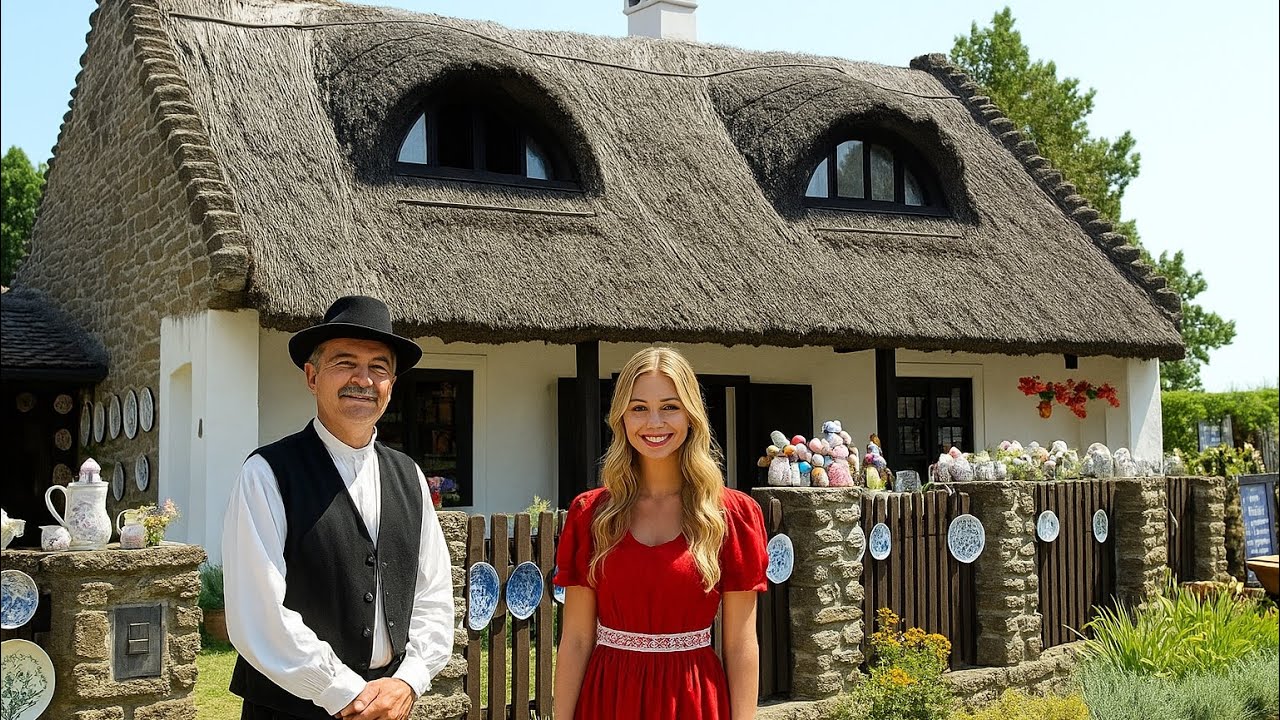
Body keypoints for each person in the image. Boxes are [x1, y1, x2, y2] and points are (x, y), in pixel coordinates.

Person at [222, 295, 454, 720]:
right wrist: (343, 691)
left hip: (389, 707)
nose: (363, 380)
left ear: (391, 385)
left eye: (378, 368)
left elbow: (433, 596)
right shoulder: (267, 474)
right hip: (292, 710)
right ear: (312, 376)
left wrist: (409, 679)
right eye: (345, 363)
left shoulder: (410, 477)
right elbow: (258, 613)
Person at [552, 347, 769, 720]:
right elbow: (575, 640)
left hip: (694, 700)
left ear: (691, 416)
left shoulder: (731, 515)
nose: (654, 422)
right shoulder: (591, 514)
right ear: (621, 417)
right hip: (608, 700)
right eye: (638, 408)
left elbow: (739, 644)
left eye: (669, 406)